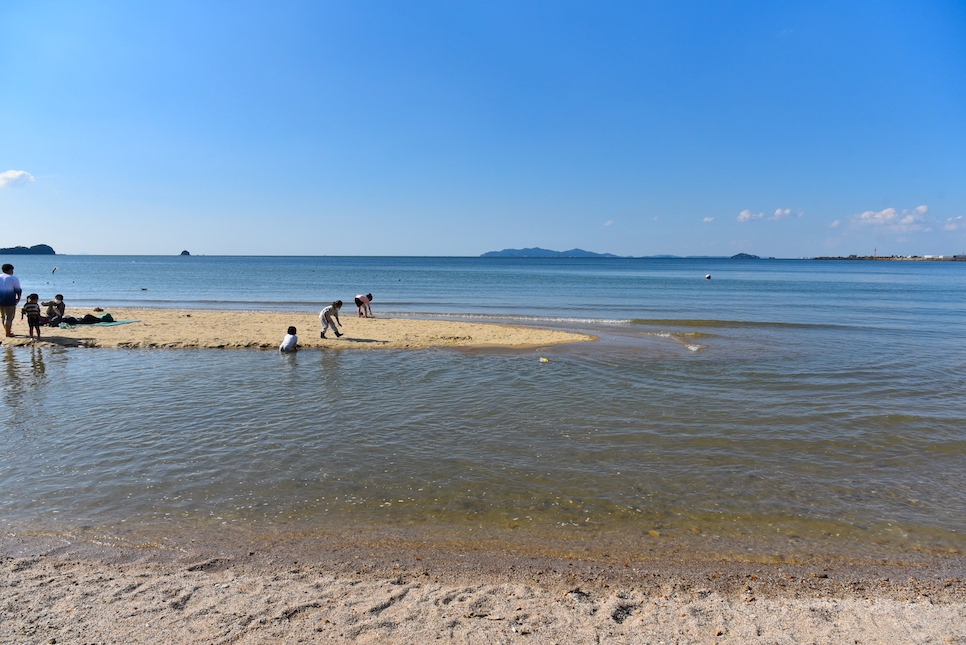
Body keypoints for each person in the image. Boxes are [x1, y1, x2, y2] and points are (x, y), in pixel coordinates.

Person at [0, 263, 22, 338]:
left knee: (3, 317)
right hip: (9, 300)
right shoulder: (13, 278)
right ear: (10, 270)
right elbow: (18, 290)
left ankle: (7, 331)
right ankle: (8, 333)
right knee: (9, 317)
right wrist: (18, 298)